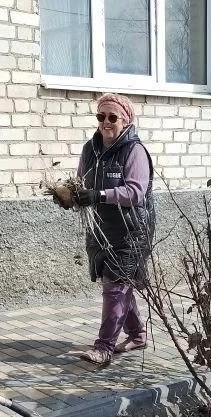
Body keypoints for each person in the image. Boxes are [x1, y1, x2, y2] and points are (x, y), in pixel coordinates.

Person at [68, 93, 155, 365]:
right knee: (118, 283)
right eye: (100, 116)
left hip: (131, 230)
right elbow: (82, 183)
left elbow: (136, 192)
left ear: (126, 120)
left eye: (112, 117)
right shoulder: (89, 148)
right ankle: (138, 335)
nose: (106, 122)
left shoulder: (135, 151)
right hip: (101, 229)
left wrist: (99, 195)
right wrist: (72, 195)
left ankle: (104, 347)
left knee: (115, 286)